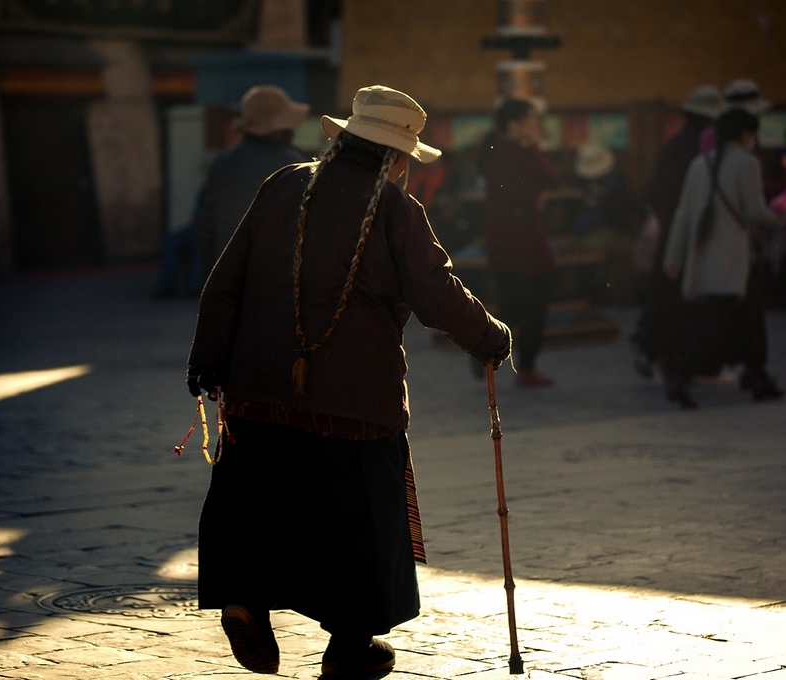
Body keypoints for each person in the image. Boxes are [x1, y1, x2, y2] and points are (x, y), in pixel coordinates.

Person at [186, 85, 511, 676]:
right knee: (362, 526)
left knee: (258, 505)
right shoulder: (395, 210)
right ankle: (348, 648)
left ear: (343, 139)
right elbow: (438, 295)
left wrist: (208, 361)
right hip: (356, 406)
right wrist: (491, 338)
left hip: (258, 394)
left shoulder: (284, 185)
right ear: (394, 157)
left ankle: (244, 600)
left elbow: (225, 279)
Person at [662, 108, 786, 408]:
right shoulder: (747, 164)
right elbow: (755, 211)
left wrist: (674, 257)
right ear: (745, 134)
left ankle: (759, 376)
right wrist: (781, 218)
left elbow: (684, 215)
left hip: (705, 259)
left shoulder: (698, 165)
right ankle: (682, 376)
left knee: (742, 317)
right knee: (718, 320)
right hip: (734, 261)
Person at [630, 85, 723, 380]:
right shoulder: (705, 147)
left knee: (663, 292)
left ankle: (648, 345)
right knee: (683, 300)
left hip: (669, 227)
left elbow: (651, 190)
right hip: (691, 232)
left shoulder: (673, 144)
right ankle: (670, 356)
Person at [478, 98, 562, 387]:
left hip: (501, 236)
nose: (535, 125)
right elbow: (552, 178)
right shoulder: (522, 152)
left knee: (509, 302)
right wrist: (536, 147)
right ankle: (524, 366)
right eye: (530, 119)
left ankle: (484, 350)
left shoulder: (492, 150)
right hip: (525, 236)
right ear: (514, 123)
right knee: (536, 299)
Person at [197, 85, 311, 273]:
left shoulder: (222, 163)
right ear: (279, 128)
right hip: (275, 274)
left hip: (227, 270)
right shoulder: (291, 163)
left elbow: (206, 227)